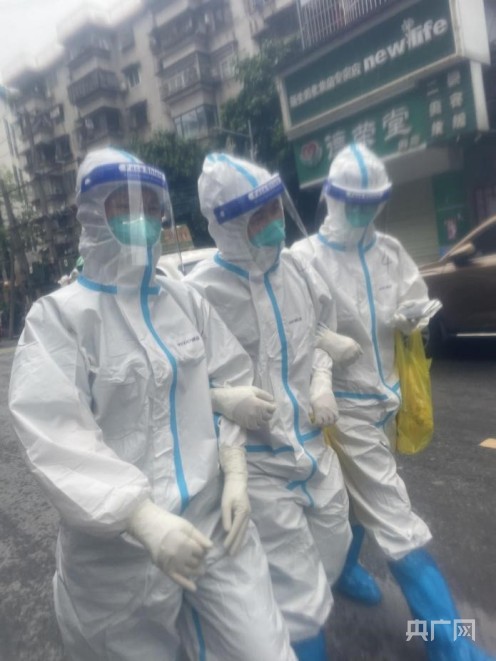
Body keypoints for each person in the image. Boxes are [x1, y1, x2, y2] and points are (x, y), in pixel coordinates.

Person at [9, 147, 296, 661]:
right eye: (124, 205)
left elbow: (231, 378)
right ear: (93, 213)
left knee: (264, 648)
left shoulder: (184, 301)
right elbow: (58, 437)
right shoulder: (60, 319)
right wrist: (140, 516)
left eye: (150, 206)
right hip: (116, 557)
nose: (142, 218)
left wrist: (234, 469)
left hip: (213, 524)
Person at [292, 142, 494, 661]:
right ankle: (448, 641)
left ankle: (344, 570)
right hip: (340, 406)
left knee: (353, 500)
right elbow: (285, 333)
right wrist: (325, 347)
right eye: (354, 203)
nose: (364, 213)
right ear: (332, 199)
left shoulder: (388, 251)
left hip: (385, 397)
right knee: (396, 518)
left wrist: (412, 315)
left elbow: (414, 296)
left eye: (372, 203)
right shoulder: (304, 259)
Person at [185, 152, 352, 661]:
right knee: (300, 597)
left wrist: (321, 383)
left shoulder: (298, 270)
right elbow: (177, 388)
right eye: (256, 215)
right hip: (257, 464)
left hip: (314, 449)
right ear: (226, 225)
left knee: (334, 546)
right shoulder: (199, 293)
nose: (273, 221)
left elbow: (319, 335)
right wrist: (221, 399)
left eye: (275, 209)